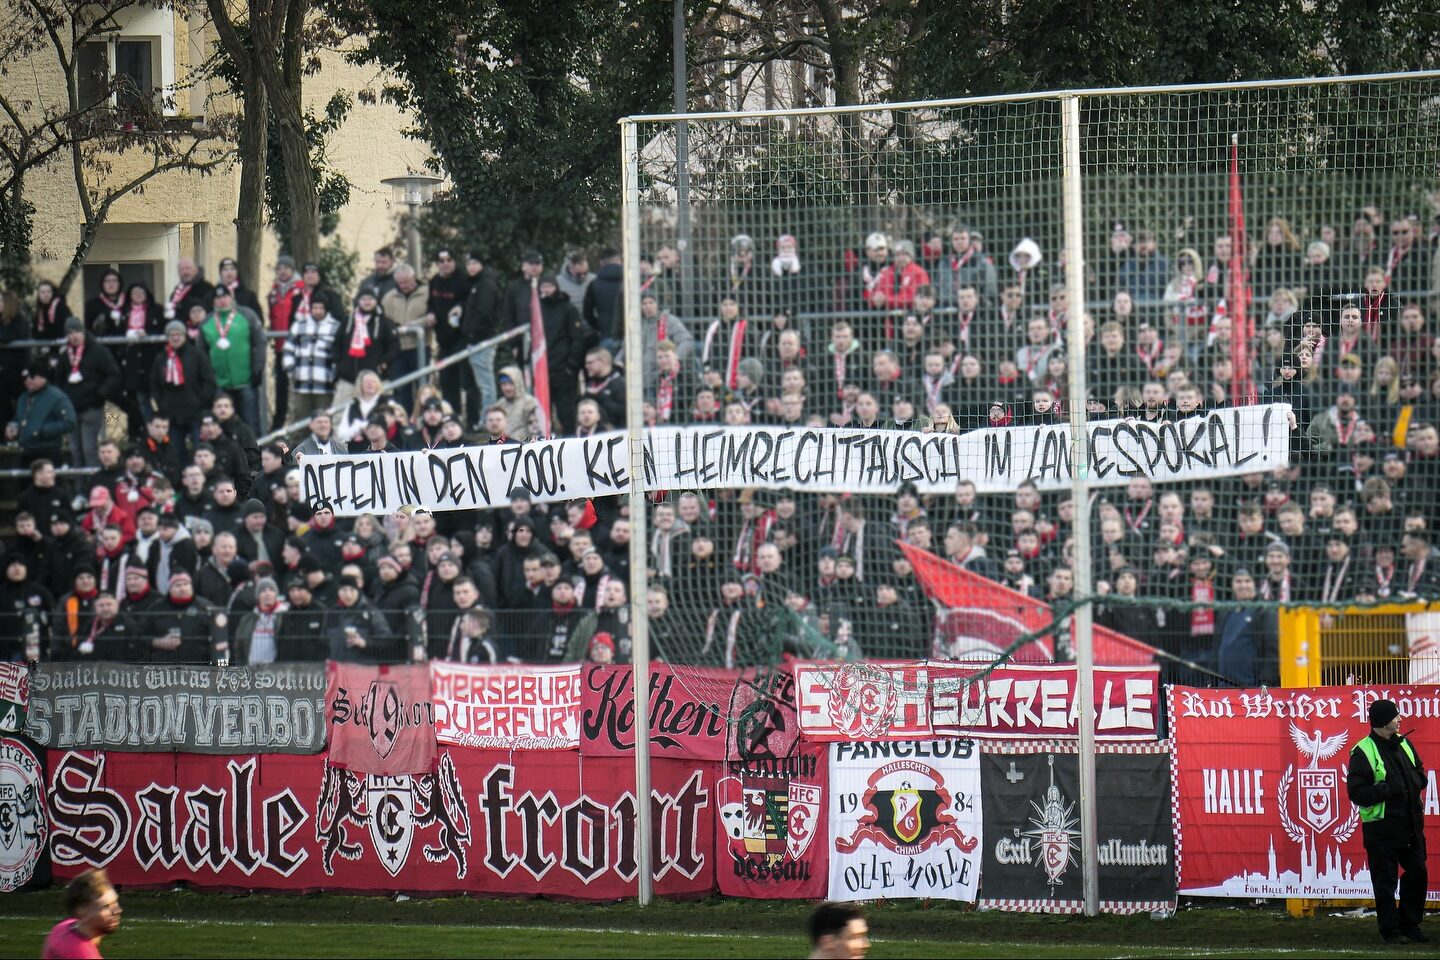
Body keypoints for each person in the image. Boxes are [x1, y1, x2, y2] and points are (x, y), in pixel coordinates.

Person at [1347, 698, 1429, 945]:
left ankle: (1410, 925)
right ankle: (1390, 931)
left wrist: (1413, 783)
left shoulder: (1404, 743)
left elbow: (1420, 774)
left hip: (1410, 825)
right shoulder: (1363, 751)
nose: (1400, 719)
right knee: (1385, 882)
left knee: (1418, 873)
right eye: (1395, 716)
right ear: (1384, 721)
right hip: (1382, 829)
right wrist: (1390, 788)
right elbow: (1357, 793)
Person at [6, 358, 77, 463]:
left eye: (32, 376)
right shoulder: (23, 398)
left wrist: (43, 430)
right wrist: (13, 426)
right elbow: (18, 418)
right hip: (26, 450)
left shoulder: (56, 397)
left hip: (48, 451)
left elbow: (70, 422)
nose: (28, 380)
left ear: (42, 377)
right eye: (25, 378)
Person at [42, 868, 122, 960]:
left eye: (115, 903)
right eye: (106, 906)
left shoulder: (62, 928)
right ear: (81, 911)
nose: (117, 910)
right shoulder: (82, 954)